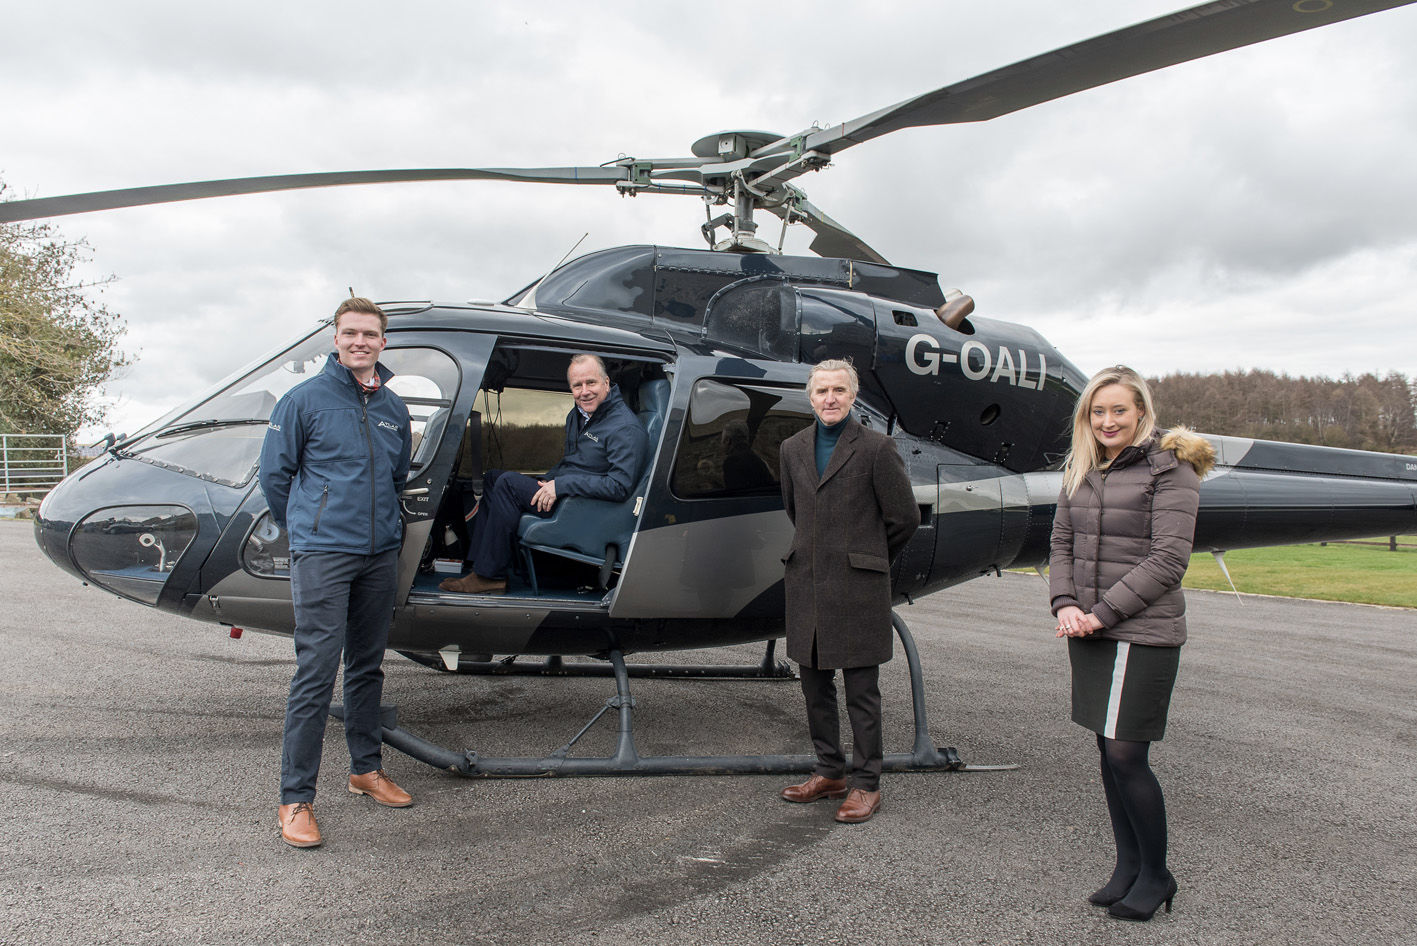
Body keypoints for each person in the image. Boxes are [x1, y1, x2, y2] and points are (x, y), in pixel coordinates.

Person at [1049, 365, 1214, 921]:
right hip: (1090, 626)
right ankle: (1128, 866)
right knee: (1106, 751)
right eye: (1097, 411)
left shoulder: (1172, 471)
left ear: (1141, 412)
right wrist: (1065, 604)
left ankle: (1158, 874)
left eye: (1119, 410)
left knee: (1126, 753)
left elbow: (1169, 560)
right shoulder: (1084, 468)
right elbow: (1061, 542)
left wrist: (1099, 613)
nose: (1107, 420)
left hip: (1141, 632)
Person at [258, 296, 415, 849]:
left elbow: (396, 477)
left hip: (378, 554)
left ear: (383, 342)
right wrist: (308, 529)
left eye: (369, 334)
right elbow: (275, 477)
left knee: (367, 666)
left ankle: (364, 769)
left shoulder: (394, 408)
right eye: (350, 333)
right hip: (324, 552)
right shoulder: (303, 401)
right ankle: (295, 798)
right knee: (316, 672)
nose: (360, 342)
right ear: (335, 338)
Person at [777, 359, 918, 824]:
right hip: (808, 584)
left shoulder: (878, 448)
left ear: (853, 396)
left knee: (862, 692)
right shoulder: (792, 449)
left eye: (839, 390)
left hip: (858, 587)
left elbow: (904, 518)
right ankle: (829, 771)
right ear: (810, 396)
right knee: (815, 688)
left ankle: (866, 784)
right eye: (821, 391)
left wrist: (867, 559)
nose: (830, 398)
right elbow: (796, 509)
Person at [439, 353, 649, 594]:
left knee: (507, 484)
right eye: (577, 386)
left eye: (591, 383)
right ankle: (478, 564)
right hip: (567, 490)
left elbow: (619, 486)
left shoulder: (625, 428)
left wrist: (561, 486)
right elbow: (573, 463)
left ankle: (490, 576)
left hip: (581, 505)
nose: (584, 391)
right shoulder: (579, 416)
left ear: (606, 382)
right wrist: (550, 480)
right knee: (493, 477)